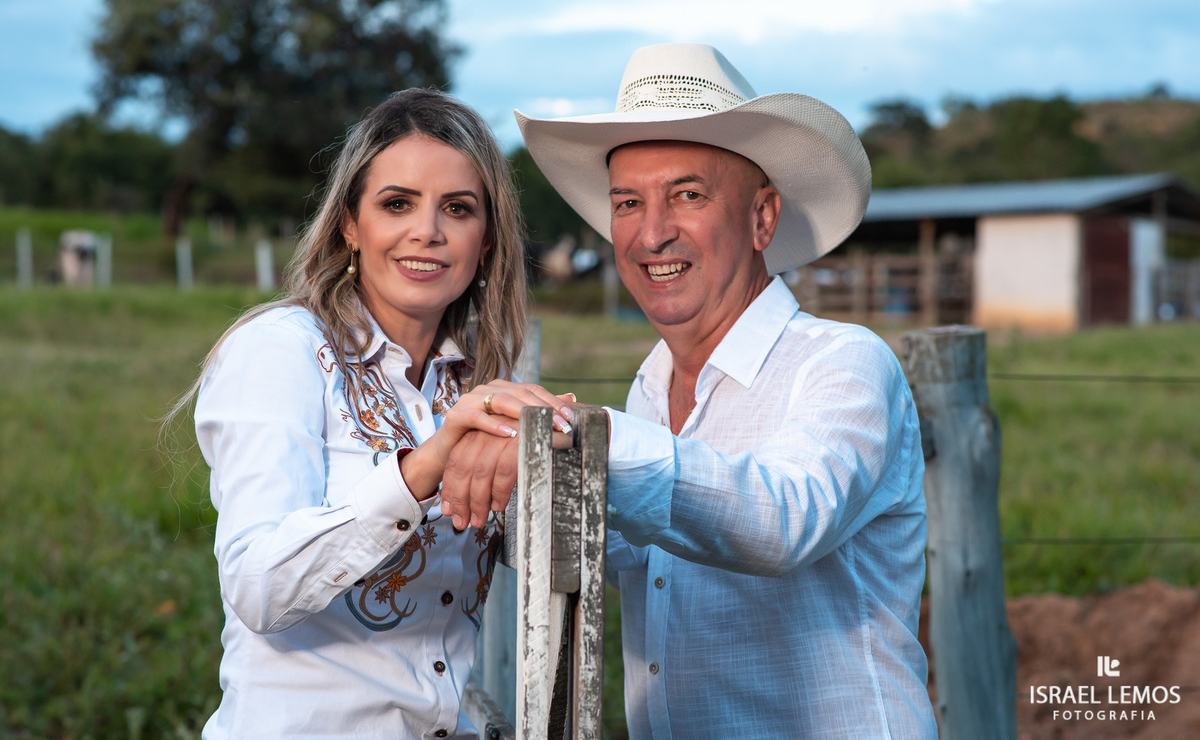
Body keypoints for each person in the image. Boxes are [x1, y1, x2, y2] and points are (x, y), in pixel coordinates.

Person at [507, 44, 938, 738]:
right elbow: (608, 547)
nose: (651, 234)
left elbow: (781, 520)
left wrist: (582, 439)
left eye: (688, 194)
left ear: (763, 217)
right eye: (627, 202)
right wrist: (499, 465)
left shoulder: (844, 363)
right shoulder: (648, 390)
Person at [181, 89, 574, 739]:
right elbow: (258, 587)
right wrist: (424, 466)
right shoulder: (282, 350)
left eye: (458, 208)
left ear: (488, 237)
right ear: (350, 225)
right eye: (398, 204)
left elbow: (554, 550)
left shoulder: (474, 380)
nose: (429, 231)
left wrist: (553, 457)